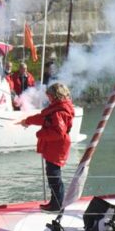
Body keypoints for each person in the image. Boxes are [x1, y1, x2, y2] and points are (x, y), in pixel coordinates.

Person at [21, 83, 75, 212]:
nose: (48, 98)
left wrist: (40, 134)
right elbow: (43, 119)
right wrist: (28, 121)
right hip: (54, 147)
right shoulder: (57, 109)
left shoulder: (59, 112)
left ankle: (57, 205)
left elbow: (58, 133)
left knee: (54, 176)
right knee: (53, 175)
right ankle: (54, 202)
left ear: (55, 96)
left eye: (49, 96)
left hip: (56, 148)